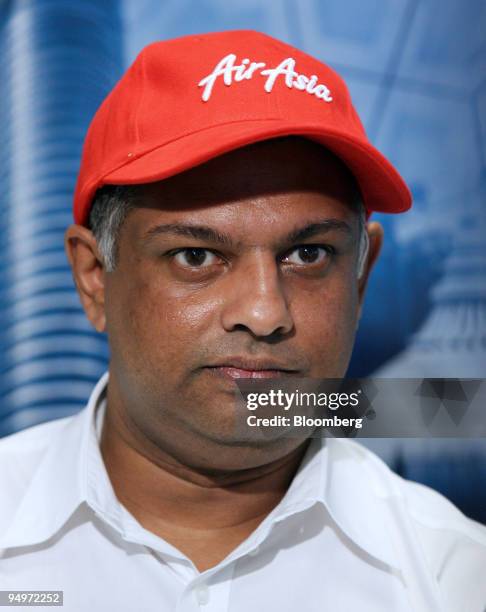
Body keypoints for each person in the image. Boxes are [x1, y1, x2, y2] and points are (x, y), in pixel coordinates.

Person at [0, 30, 485, 612]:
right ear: (94, 278)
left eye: (309, 254)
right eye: (197, 256)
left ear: (361, 275)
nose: (265, 312)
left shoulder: (453, 577)